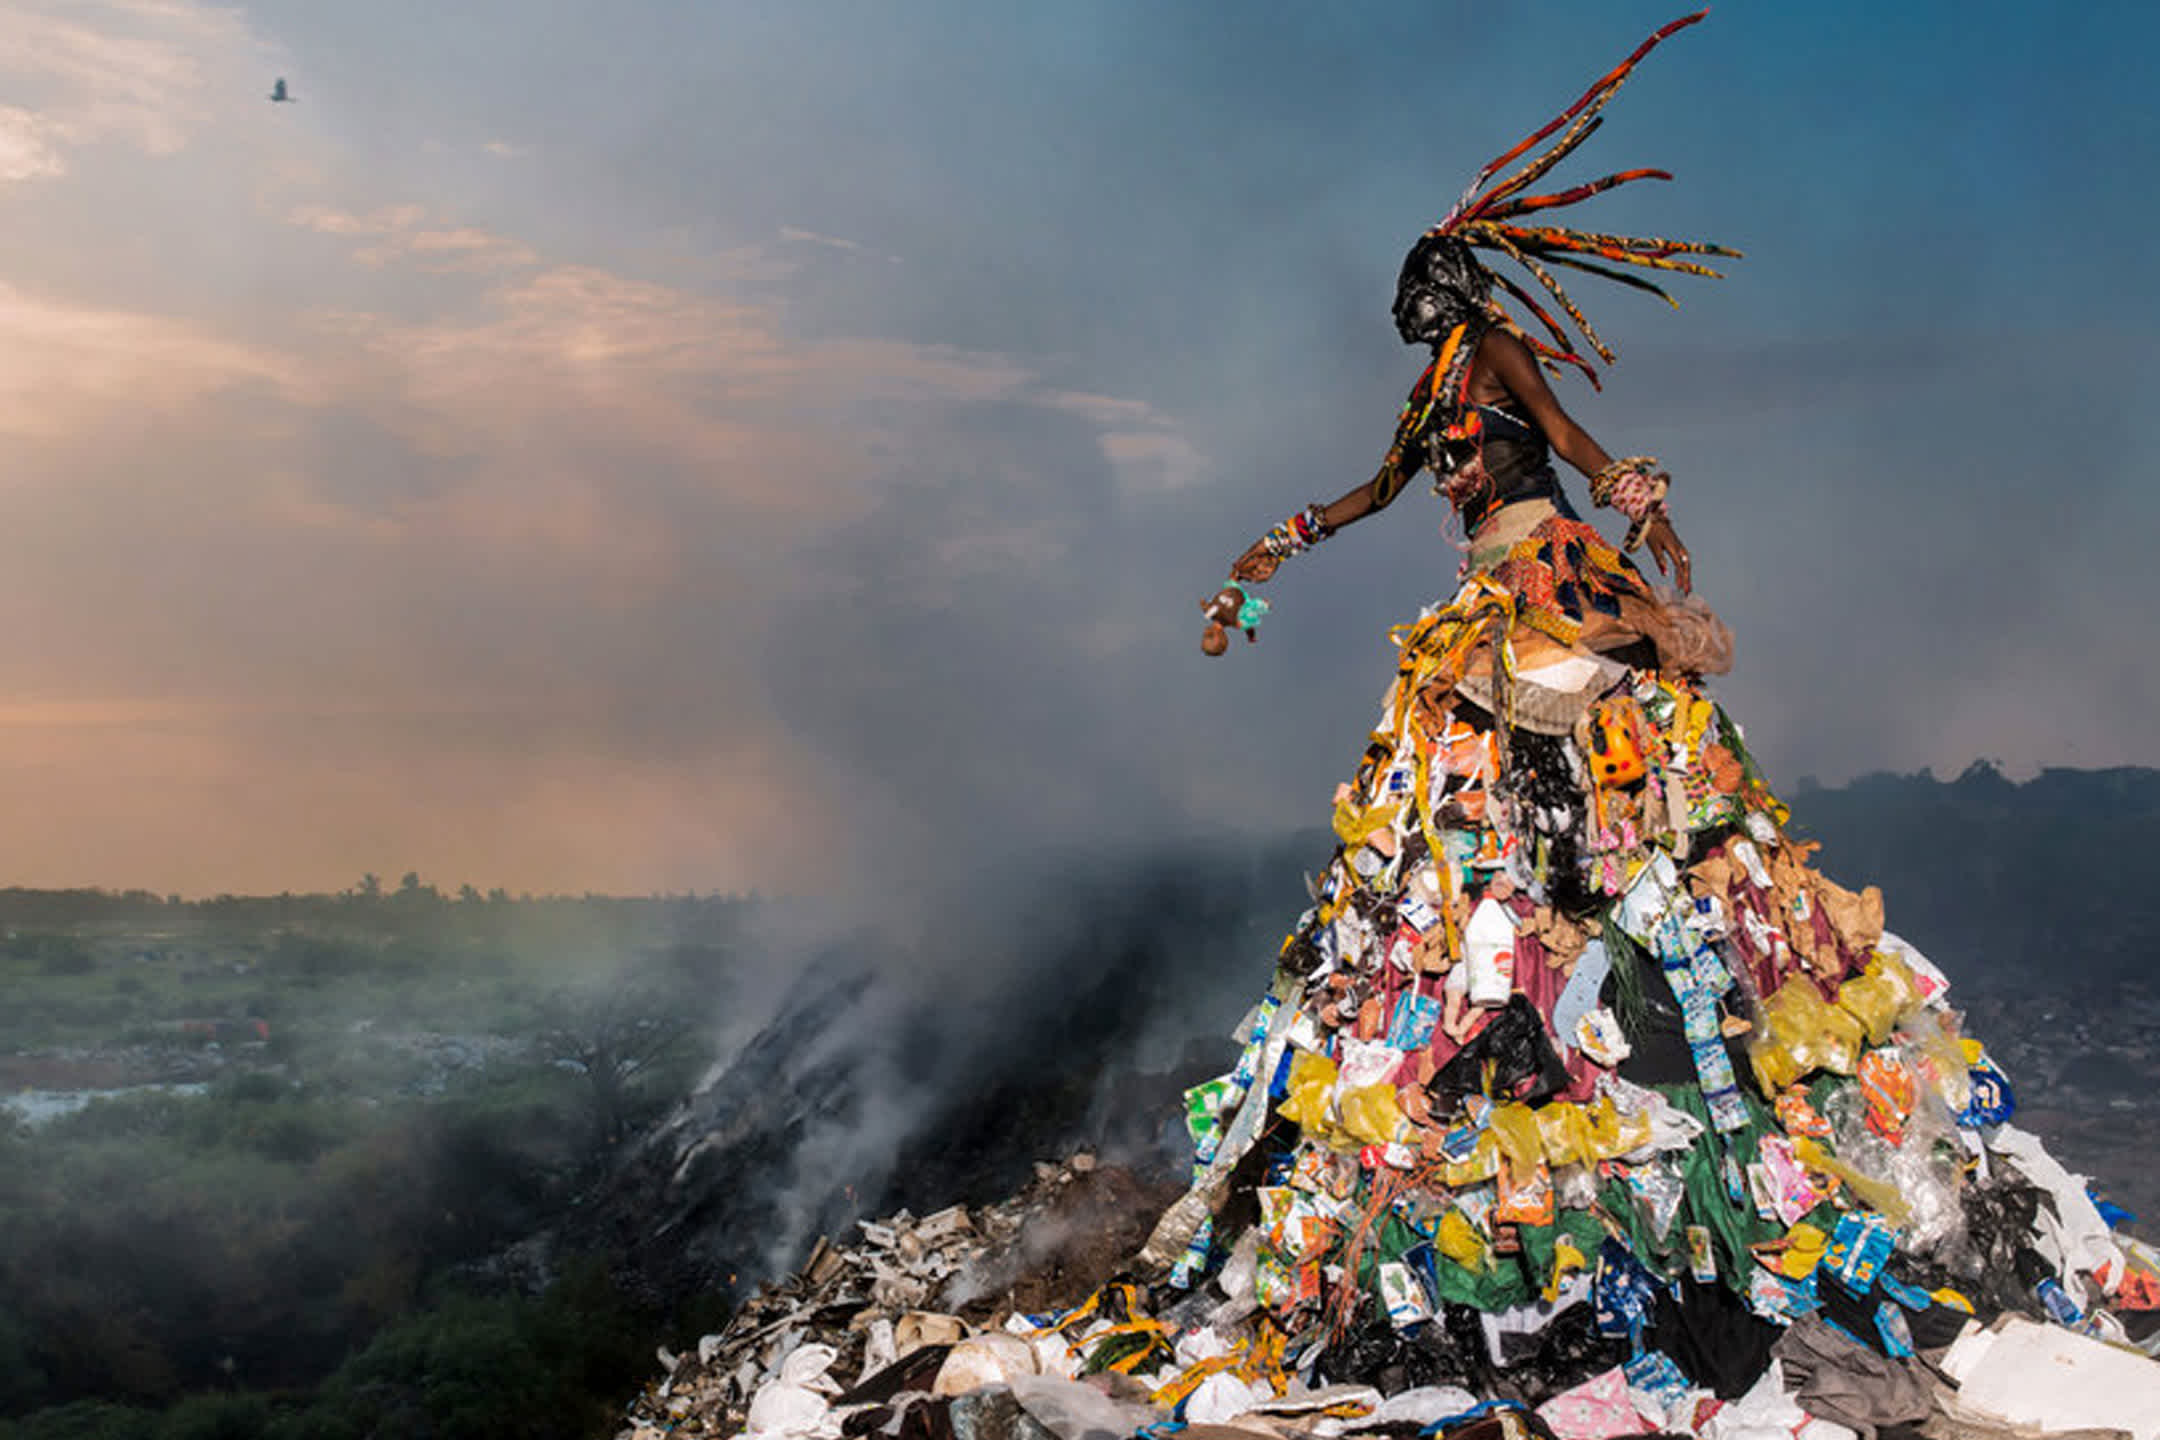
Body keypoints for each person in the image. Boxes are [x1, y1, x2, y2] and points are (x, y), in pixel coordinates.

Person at [1138, 10, 1959, 1353]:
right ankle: (1506, 1002)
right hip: (1485, 605)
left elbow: (1575, 444)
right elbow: (1374, 490)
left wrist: (1645, 514)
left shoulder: (1501, 358)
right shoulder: (1425, 404)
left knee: (1613, 789)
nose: (1410, 317)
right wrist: (1264, 554)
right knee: (1457, 811)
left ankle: (1619, 985)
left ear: (1454, 288)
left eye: (1422, 294)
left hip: (1550, 578)